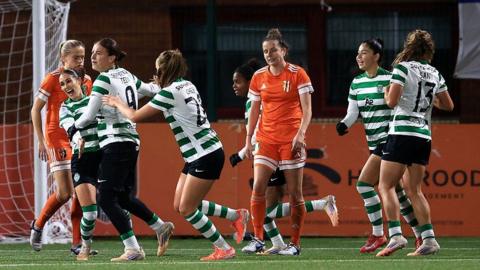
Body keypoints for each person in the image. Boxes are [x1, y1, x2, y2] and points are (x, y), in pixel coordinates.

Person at [103, 49, 247, 261]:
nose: (155, 72)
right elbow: (171, 99)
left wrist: (117, 103)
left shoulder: (168, 93)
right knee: (181, 204)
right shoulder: (186, 85)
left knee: (188, 208)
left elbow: (134, 116)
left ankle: (224, 248)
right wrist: (160, 85)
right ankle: (236, 215)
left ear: (163, 69)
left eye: (157, 69)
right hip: (200, 153)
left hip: (205, 154)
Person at [69, 38, 174, 261]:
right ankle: (160, 226)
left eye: (98, 53)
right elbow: (150, 90)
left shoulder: (103, 80)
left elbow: (87, 116)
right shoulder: (126, 75)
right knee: (123, 197)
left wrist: (72, 127)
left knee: (106, 199)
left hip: (116, 143)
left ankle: (133, 249)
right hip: (131, 141)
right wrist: (164, 85)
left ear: (112, 57)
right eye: (93, 53)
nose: (93, 57)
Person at [231, 59, 338, 255]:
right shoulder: (255, 100)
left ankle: (321, 204)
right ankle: (278, 243)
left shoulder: (263, 99)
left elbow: (260, 130)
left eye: (238, 81)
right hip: (264, 149)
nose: (234, 86)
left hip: (273, 149)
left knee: (268, 207)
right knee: (265, 203)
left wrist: (240, 154)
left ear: (250, 81)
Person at [336, 38, 422, 253]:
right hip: (375, 142)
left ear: (376, 56)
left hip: (391, 141)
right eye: (358, 53)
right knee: (399, 194)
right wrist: (344, 124)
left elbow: (399, 106)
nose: (359, 57)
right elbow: (352, 113)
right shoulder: (356, 83)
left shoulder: (390, 78)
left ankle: (380, 234)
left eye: (364, 52)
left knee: (364, 184)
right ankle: (422, 235)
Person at [376, 29, 454, 257]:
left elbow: (391, 102)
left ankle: (396, 236)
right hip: (423, 135)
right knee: (414, 190)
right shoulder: (435, 73)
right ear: (429, 50)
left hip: (402, 132)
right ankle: (429, 239)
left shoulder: (402, 68)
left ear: (409, 46)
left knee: (385, 185)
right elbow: (448, 105)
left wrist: (386, 92)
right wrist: (428, 103)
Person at [242, 28, 313, 256]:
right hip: (266, 139)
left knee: (294, 193)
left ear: (283, 50)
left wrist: (301, 134)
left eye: (273, 50)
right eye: (265, 51)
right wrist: (248, 140)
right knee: (259, 186)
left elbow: (308, 109)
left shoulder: (297, 73)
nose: (269, 54)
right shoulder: (258, 76)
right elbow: (254, 111)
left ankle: (295, 244)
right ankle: (258, 239)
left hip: (290, 140)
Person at [30, 40, 89, 253]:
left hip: (80, 137)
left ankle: (77, 242)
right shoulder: (52, 79)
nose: (80, 61)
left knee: (82, 190)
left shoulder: (87, 79)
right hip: (57, 137)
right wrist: (41, 141)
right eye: (76, 57)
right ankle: (38, 225)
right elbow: (36, 110)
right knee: (65, 193)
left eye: (82, 56)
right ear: (63, 59)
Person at [58, 68, 102, 261]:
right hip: (82, 159)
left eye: (68, 81)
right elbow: (69, 127)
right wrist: (77, 140)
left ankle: (131, 246)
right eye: (62, 84)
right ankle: (85, 245)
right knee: (90, 213)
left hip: (104, 157)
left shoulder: (95, 100)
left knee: (121, 203)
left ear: (80, 81)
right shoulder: (65, 107)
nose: (65, 86)